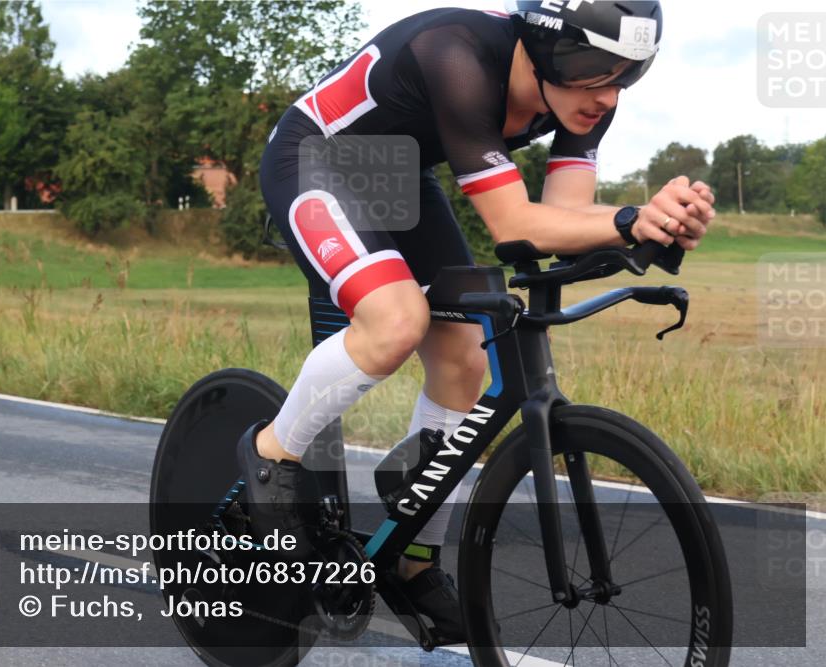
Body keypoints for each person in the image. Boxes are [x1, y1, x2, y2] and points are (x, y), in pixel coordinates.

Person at [238, 0, 714, 641]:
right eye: (594, 70)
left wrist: (657, 223)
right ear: (545, 48)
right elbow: (513, 224)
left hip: (399, 174)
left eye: (627, 73)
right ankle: (271, 455)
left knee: (465, 359)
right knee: (396, 321)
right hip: (314, 158)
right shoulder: (456, 54)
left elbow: (563, 219)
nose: (607, 94)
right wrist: (629, 220)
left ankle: (411, 562)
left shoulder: (586, 95)